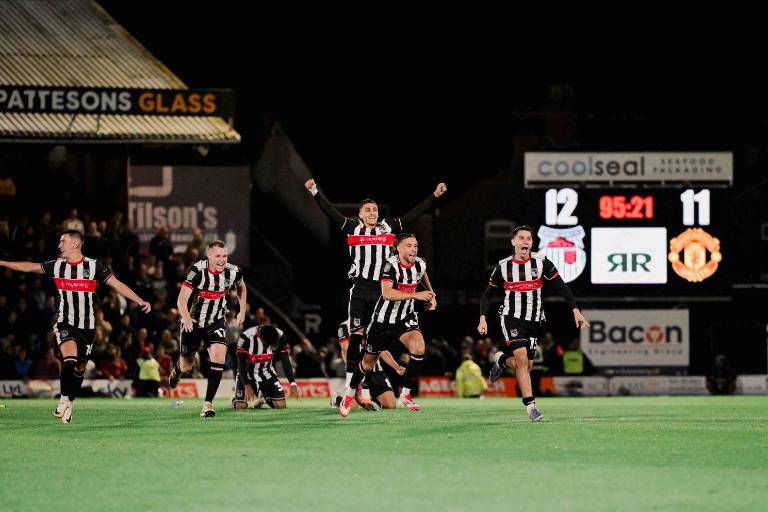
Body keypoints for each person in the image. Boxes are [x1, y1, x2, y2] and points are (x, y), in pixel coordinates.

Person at [304, 178, 446, 404]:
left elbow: (413, 214)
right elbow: (329, 212)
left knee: (376, 339)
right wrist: (314, 191)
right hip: (361, 289)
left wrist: (434, 196)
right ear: (360, 214)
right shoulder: (352, 227)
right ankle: (352, 387)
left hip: (383, 289)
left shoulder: (388, 227)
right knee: (356, 335)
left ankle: (368, 386)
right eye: (368, 210)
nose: (372, 212)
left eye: (375, 209)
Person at [0, 229, 150, 423]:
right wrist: (2, 263)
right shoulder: (57, 265)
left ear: (75, 244)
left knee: (80, 368)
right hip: (65, 322)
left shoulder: (94, 266)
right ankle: (63, 399)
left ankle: (69, 403)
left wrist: (140, 300)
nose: (59, 245)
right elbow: (29, 267)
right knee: (69, 359)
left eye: (62, 241)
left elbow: (117, 284)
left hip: (87, 327)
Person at [477, 225, 589, 422]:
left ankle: (501, 360)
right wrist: (482, 317)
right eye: (521, 238)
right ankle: (531, 406)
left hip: (535, 320)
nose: (525, 241)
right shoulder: (503, 267)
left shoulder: (541, 262)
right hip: (511, 318)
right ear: (513, 242)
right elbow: (488, 295)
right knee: (521, 360)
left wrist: (575, 310)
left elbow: (561, 286)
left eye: (529, 238)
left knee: (526, 365)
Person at [339, 233, 436, 417]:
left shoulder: (420, 263)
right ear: (398, 248)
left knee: (419, 348)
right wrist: (416, 295)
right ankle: (349, 394)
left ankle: (405, 395)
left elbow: (423, 274)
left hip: (405, 317)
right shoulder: (390, 265)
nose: (414, 249)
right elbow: (387, 294)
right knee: (367, 364)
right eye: (409, 246)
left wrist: (432, 294)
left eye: (415, 245)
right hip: (382, 321)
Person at [170, 240, 246, 418]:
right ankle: (178, 369)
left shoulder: (233, 272)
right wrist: (186, 317)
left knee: (219, 357)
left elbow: (242, 287)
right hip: (193, 322)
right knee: (187, 365)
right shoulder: (198, 271)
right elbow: (182, 299)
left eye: (225, 256)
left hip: (216, 321)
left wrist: (242, 310)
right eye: (218, 256)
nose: (222, 260)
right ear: (209, 256)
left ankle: (207, 404)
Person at [232, 324, 301, 409]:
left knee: (281, 406)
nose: (268, 347)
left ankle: (263, 398)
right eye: (267, 345)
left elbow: (285, 360)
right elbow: (240, 364)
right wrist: (247, 385)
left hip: (267, 373)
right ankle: (234, 399)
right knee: (241, 406)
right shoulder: (245, 337)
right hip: (247, 374)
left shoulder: (280, 335)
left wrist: (292, 383)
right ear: (261, 338)